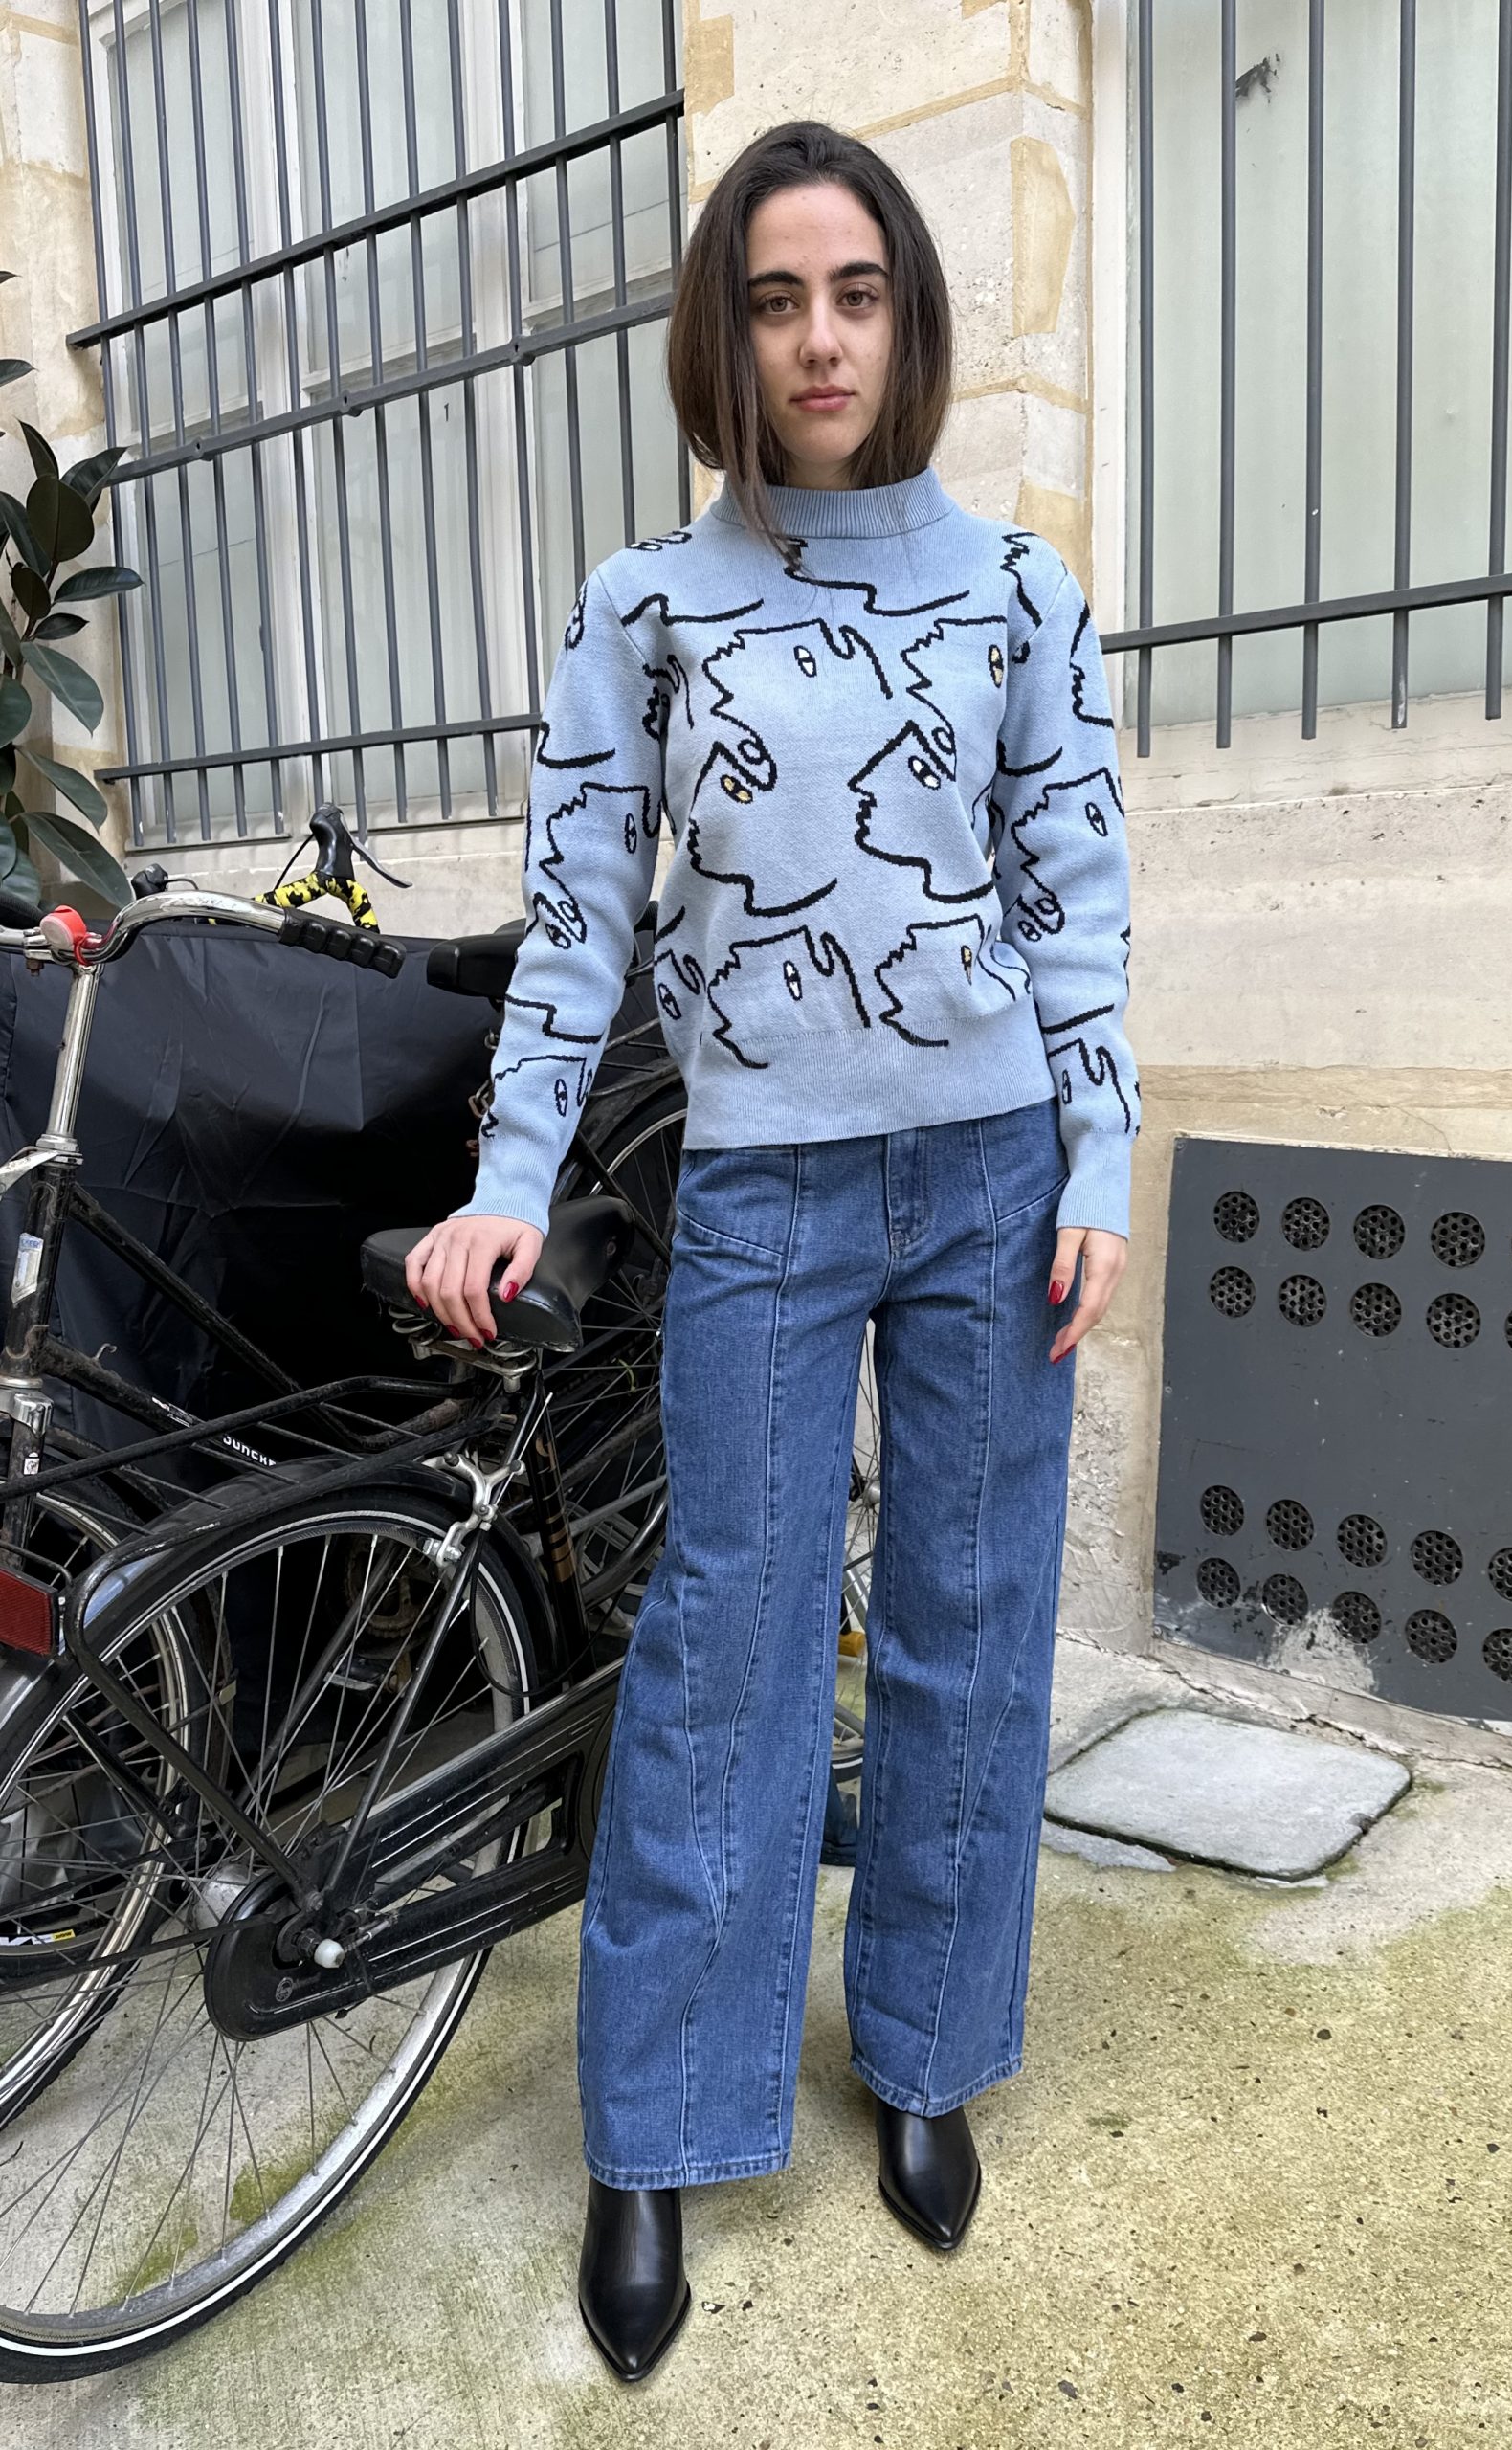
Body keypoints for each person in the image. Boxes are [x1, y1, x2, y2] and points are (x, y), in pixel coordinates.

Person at [404, 117, 1140, 2384]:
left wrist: (1098, 1159)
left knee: (966, 1617)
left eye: (856, 293)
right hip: (759, 1187)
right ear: (721, 333)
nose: (818, 338)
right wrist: (511, 1170)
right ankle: (658, 2121)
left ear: (905, 320)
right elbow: (575, 923)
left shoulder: (1016, 592)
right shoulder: (645, 605)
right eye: (772, 297)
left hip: (993, 1170)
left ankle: (923, 2045)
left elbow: (1072, 887)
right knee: (721, 1637)